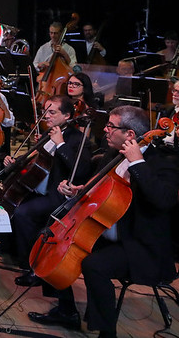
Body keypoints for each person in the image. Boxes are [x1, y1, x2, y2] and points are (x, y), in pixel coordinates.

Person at [28, 106, 179, 337]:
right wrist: (77, 190)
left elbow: (164, 200)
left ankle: (107, 333)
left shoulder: (162, 162)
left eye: (111, 126)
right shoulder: (112, 154)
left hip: (139, 244)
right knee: (50, 241)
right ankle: (67, 311)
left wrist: (138, 163)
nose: (105, 130)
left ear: (130, 135)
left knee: (94, 266)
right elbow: (101, 192)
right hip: (106, 232)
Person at [7, 95, 92, 286]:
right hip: (35, 188)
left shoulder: (78, 139)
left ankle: (34, 268)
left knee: (23, 213)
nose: (46, 116)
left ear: (67, 116)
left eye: (52, 112)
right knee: (10, 205)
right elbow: (35, 162)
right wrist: (15, 163)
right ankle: (16, 253)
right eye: (45, 111)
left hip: (58, 195)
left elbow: (81, 170)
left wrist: (60, 144)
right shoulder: (48, 133)